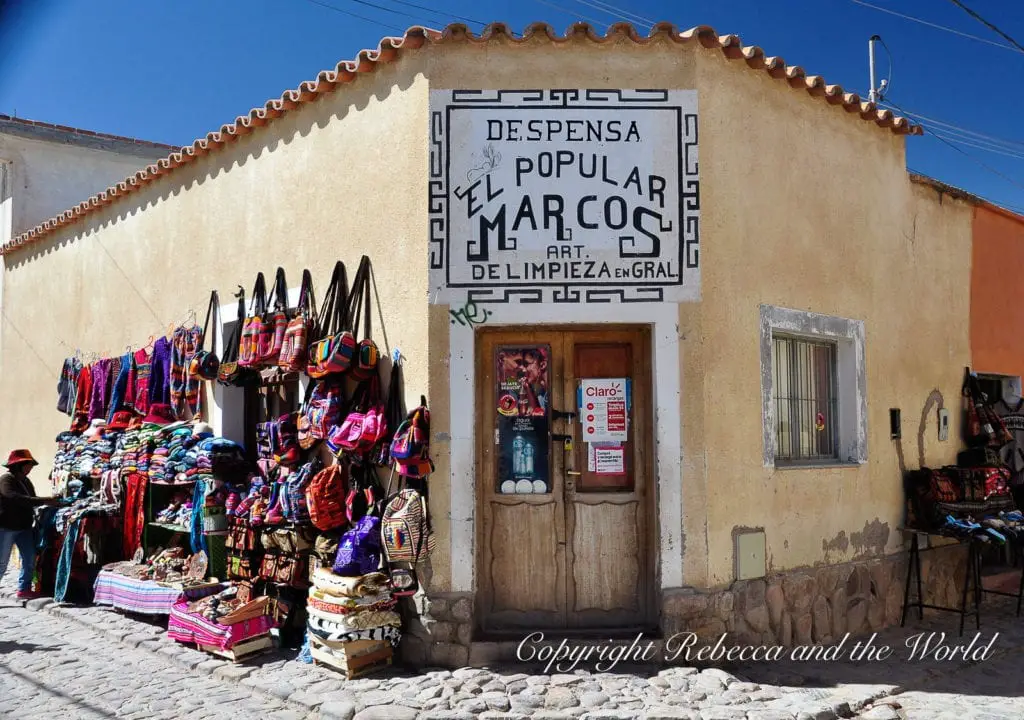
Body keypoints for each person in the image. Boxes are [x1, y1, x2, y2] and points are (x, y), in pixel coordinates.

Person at [0, 450, 59, 599]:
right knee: (2, 563)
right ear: (18, 465)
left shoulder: (25, 481)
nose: (30, 468)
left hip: (24, 527)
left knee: (30, 558)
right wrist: (45, 500)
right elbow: (14, 497)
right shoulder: (6, 480)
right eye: (28, 465)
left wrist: (48, 502)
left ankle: (23, 589)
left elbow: (32, 498)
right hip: (6, 527)